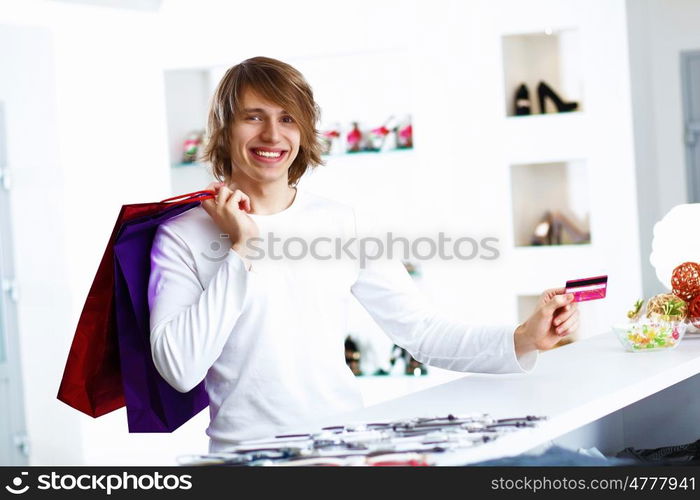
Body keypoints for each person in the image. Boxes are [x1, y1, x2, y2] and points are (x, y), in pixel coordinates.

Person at [147, 56, 579, 452]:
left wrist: (523, 338)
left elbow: (422, 332)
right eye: (253, 117)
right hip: (244, 458)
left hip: (340, 447)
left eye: (287, 119)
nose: (272, 135)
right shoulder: (182, 235)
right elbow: (180, 368)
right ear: (224, 129)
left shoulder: (342, 224)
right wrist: (241, 250)